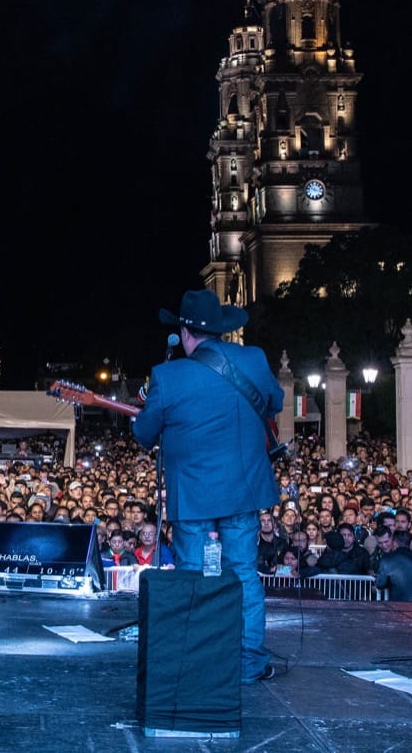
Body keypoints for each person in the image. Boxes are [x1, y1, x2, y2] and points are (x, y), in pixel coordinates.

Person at [132, 289, 282, 684]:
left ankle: (196, 663)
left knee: (193, 574)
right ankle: (249, 662)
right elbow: (275, 400)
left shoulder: (168, 375)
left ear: (183, 332)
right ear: (220, 329)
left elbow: (145, 435)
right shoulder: (254, 359)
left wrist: (147, 410)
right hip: (244, 488)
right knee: (244, 573)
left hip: (194, 493)